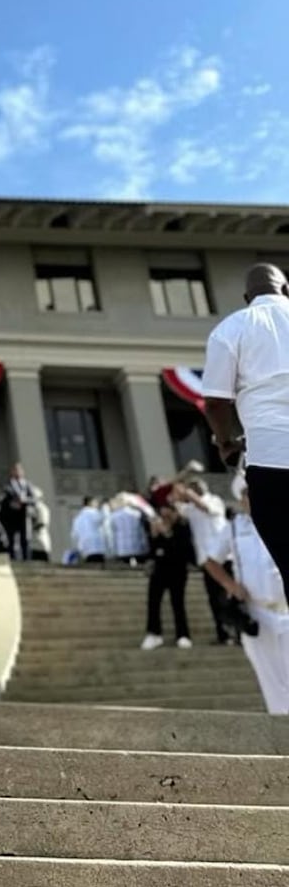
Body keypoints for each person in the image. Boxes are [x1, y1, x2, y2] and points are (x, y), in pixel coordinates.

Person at [201, 262, 289, 590]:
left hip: (272, 463)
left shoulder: (231, 328)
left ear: (246, 297)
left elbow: (215, 402)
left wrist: (226, 442)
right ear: (287, 289)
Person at [204, 474, 289, 714]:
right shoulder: (234, 528)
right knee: (271, 682)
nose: (250, 499)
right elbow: (211, 561)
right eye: (246, 495)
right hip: (257, 612)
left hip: (286, 608)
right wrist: (231, 586)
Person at [171, 480, 232, 643]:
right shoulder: (190, 508)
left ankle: (238, 632)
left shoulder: (215, 500)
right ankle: (223, 634)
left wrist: (190, 495)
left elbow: (206, 508)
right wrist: (176, 494)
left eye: (194, 489)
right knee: (213, 598)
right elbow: (177, 510)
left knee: (228, 594)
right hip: (206, 559)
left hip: (224, 556)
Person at [140, 503, 195, 650]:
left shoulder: (183, 526)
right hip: (159, 568)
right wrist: (153, 536)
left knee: (177, 602)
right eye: (162, 513)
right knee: (153, 601)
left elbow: (184, 549)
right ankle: (154, 633)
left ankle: (182, 634)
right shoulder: (157, 525)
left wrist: (167, 533)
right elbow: (153, 549)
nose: (165, 517)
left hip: (178, 569)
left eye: (168, 513)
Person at [0, 462, 35, 561]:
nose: (17, 472)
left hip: (24, 516)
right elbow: (2, 500)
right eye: (15, 470)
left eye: (19, 470)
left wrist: (24, 500)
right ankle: (13, 559)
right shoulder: (7, 485)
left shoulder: (27, 485)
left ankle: (27, 560)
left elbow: (34, 499)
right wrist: (12, 504)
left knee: (25, 539)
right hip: (11, 517)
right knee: (12, 540)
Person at [108, 494, 151, 566]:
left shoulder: (114, 515)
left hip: (122, 548)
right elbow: (142, 531)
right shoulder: (137, 514)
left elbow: (111, 532)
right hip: (137, 547)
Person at [70, 496, 110, 564]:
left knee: (90, 565)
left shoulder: (78, 518)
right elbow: (102, 518)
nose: (97, 504)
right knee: (98, 565)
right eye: (95, 502)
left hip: (85, 547)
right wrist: (105, 507)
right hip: (96, 546)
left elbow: (74, 535)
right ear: (90, 503)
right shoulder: (93, 513)